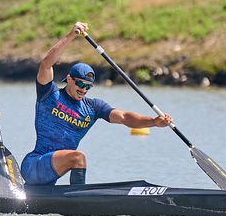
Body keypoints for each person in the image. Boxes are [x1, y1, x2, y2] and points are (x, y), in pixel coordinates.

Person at [20, 22, 174, 185]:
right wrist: (71, 35)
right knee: (78, 157)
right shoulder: (49, 94)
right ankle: (79, 204)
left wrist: (153, 122)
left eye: (88, 86)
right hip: (34, 164)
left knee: (75, 158)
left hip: (54, 170)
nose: (84, 90)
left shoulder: (93, 107)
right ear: (69, 79)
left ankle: (70, 199)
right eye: (81, 84)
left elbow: (124, 117)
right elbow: (46, 64)